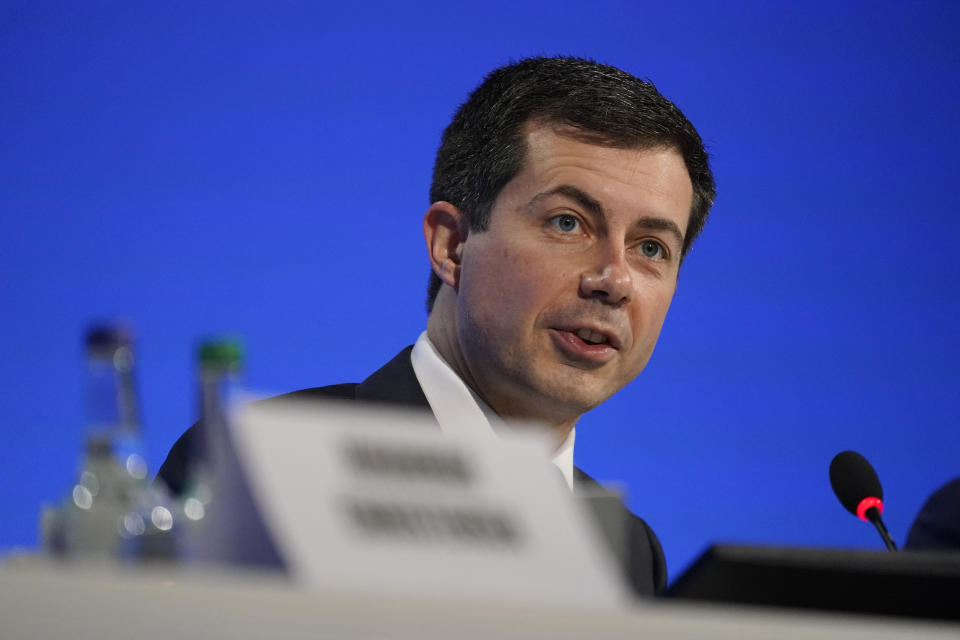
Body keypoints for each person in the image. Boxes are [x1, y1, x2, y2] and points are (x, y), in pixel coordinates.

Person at [158, 56, 716, 596]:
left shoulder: (629, 553)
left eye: (651, 248)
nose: (613, 279)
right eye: (567, 222)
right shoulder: (256, 470)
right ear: (451, 246)